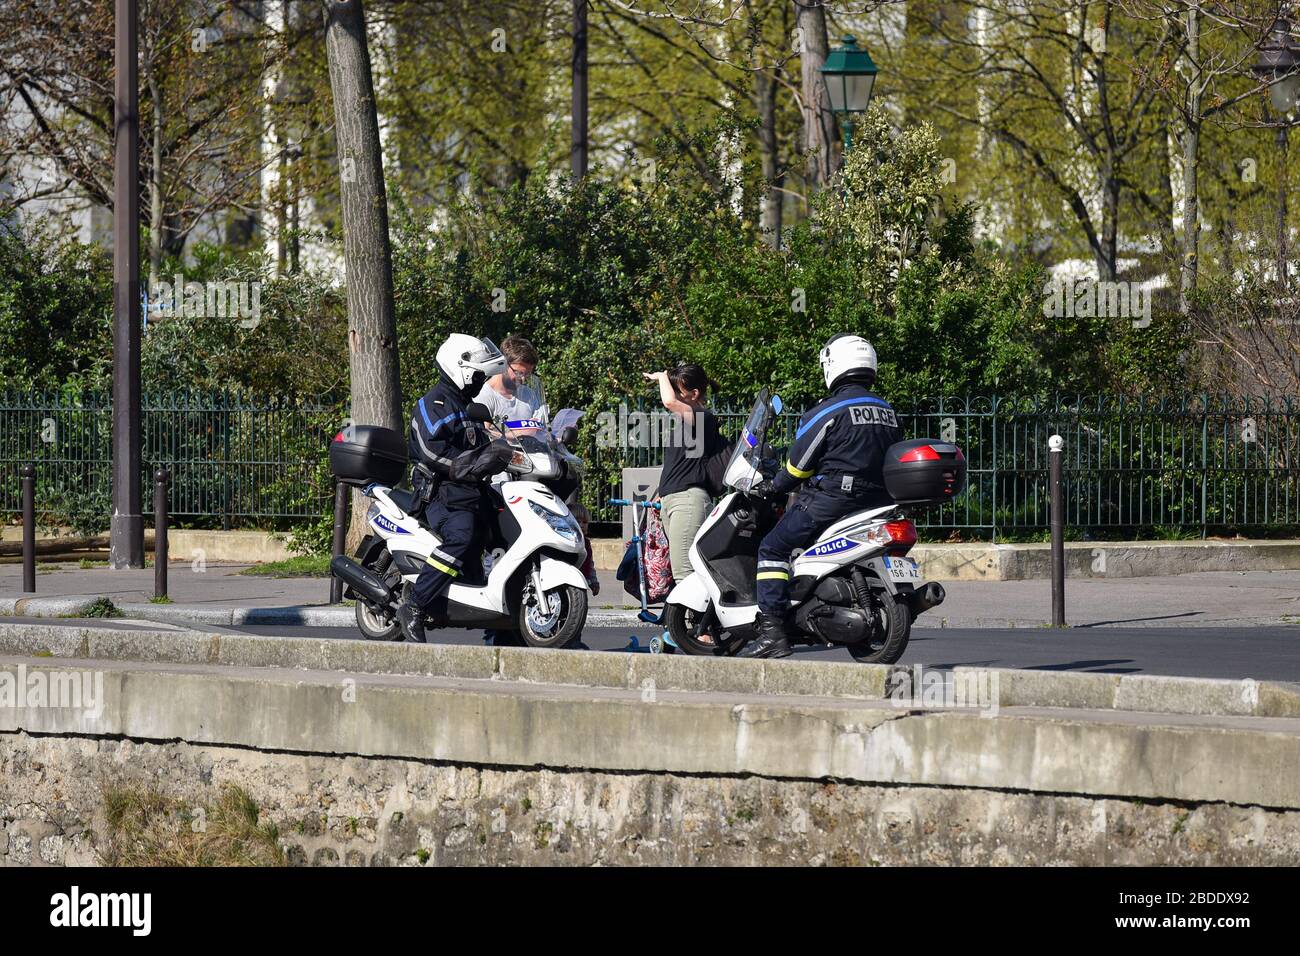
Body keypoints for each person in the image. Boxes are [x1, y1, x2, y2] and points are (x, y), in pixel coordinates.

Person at [740, 334, 903, 659]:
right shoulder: (887, 411)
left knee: (773, 547)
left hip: (833, 498)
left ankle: (772, 632)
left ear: (833, 366)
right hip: (880, 500)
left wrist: (774, 486)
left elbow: (799, 468)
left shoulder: (827, 411)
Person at [396, 334, 512, 644]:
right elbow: (431, 451)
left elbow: (482, 448)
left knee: (507, 530)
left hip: (471, 491)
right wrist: (465, 465)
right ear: (460, 369)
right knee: (463, 535)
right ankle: (414, 605)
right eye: (478, 375)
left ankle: (505, 618)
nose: (481, 382)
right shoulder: (433, 404)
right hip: (442, 493)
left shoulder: (467, 407)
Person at [643, 363, 725, 582]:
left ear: (694, 393)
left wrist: (661, 376)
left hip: (688, 501)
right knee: (681, 573)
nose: (675, 395)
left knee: (684, 574)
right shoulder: (685, 424)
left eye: (679, 390)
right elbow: (679, 464)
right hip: (674, 501)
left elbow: (668, 401)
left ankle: (691, 616)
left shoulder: (703, 418)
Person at [476, 335, 542, 424]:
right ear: (503, 364)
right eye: (518, 373)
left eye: (527, 374)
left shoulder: (529, 395)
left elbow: (541, 431)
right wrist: (523, 432)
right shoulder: (483, 397)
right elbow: (484, 434)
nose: (523, 379)